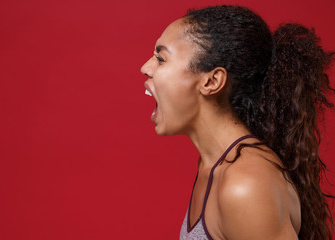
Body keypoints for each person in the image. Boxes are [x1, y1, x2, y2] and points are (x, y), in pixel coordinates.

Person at [141, 5, 334, 240]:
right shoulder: (215, 165)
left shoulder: (245, 184)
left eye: (161, 58)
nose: (146, 68)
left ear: (212, 81)